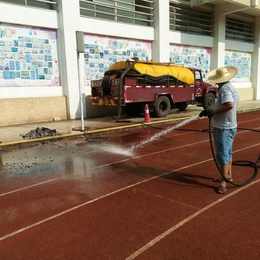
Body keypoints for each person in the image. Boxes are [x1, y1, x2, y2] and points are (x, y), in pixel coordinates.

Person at [199, 66, 239, 194]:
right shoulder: (231, 87)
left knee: (222, 155)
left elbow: (229, 104)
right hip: (230, 126)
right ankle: (228, 176)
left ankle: (224, 181)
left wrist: (213, 112)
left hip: (224, 128)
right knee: (228, 154)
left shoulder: (225, 89)